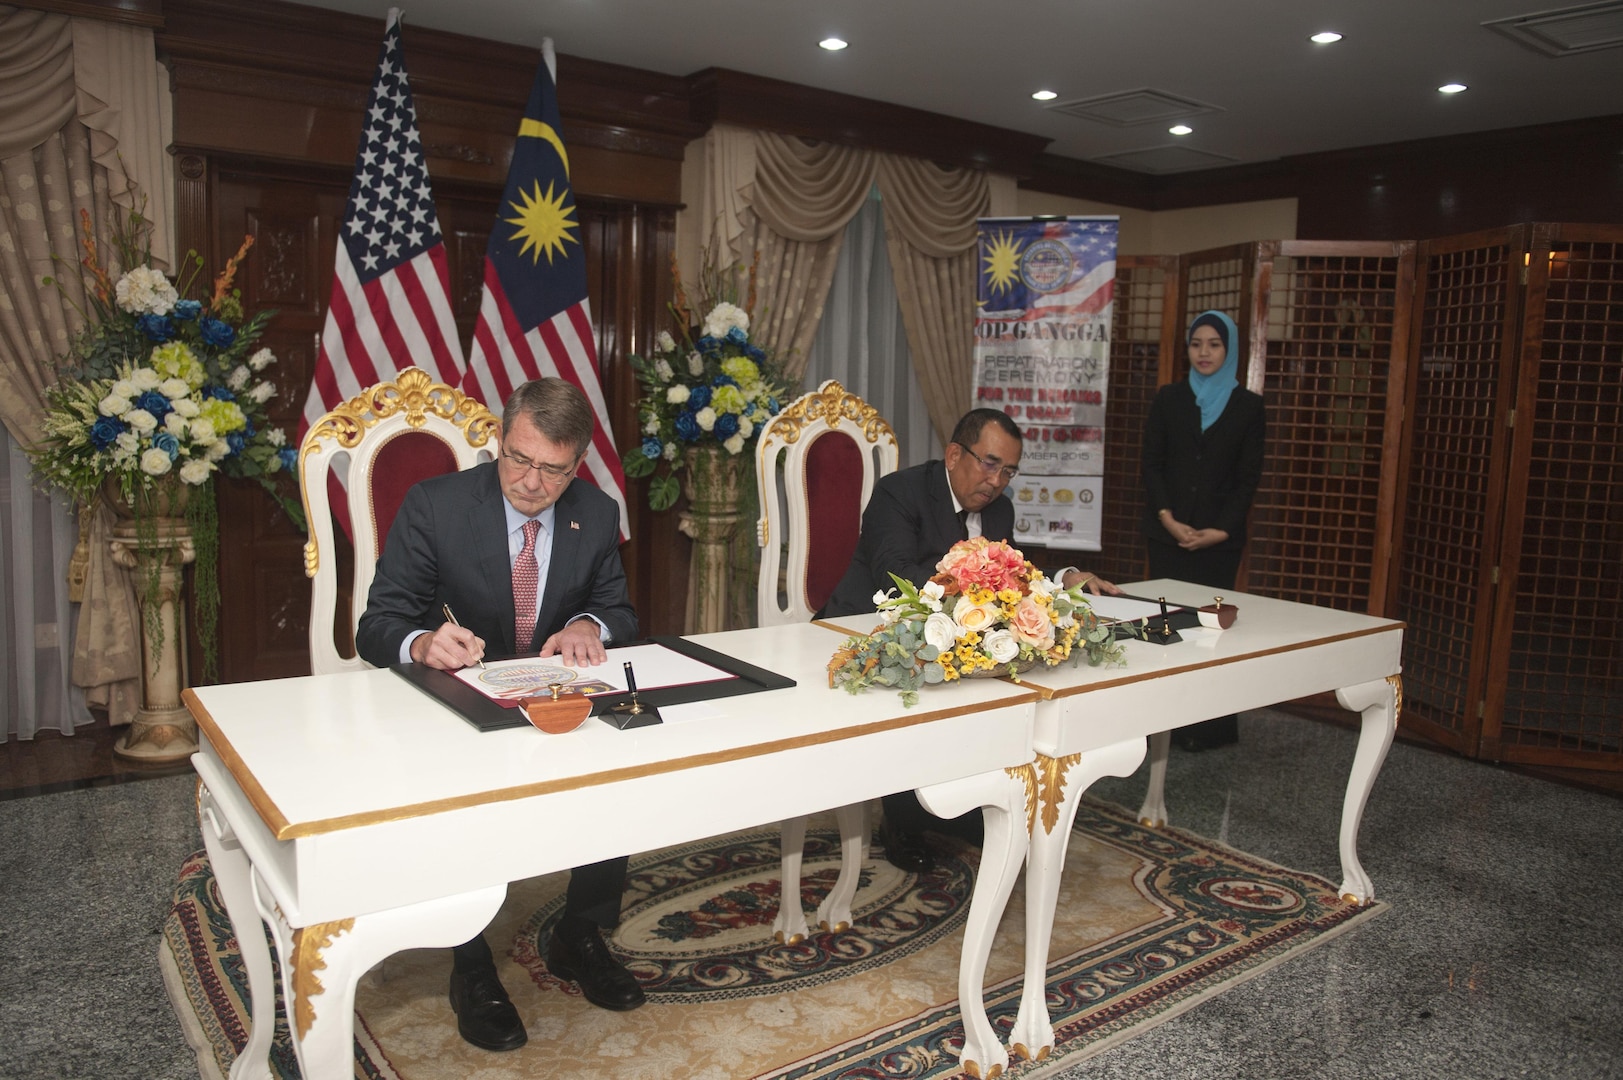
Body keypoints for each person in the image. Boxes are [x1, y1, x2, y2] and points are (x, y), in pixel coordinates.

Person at [357, 377, 643, 1052]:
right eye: (519, 459)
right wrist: (421, 643)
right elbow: (378, 625)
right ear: (498, 440)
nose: (531, 481)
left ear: (577, 466)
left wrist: (586, 622)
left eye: (553, 469)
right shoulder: (436, 505)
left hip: (552, 702)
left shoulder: (596, 514)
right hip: (452, 706)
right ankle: (471, 963)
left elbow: (620, 612)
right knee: (463, 796)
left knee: (623, 763)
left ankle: (579, 934)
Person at [820, 407, 1120, 872]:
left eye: (1010, 471)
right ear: (955, 453)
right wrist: (978, 591)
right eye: (990, 463)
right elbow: (896, 572)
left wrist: (1061, 580)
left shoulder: (1000, 509)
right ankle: (903, 817)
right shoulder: (901, 492)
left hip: (956, 632)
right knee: (924, 685)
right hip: (865, 626)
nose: (998, 480)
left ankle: (958, 799)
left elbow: (1011, 573)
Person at [1142, 310, 1266, 750]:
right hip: (1168, 536)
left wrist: (1221, 531)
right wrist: (1168, 518)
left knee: (1211, 632)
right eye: (1197, 344)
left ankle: (1207, 728)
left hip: (1218, 544)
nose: (1204, 353)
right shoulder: (1169, 398)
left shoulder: (1249, 407)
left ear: (1228, 349)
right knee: (1169, 627)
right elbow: (1152, 465)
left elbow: (1247, 479)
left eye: (1214, 344)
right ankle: (1158, 725)